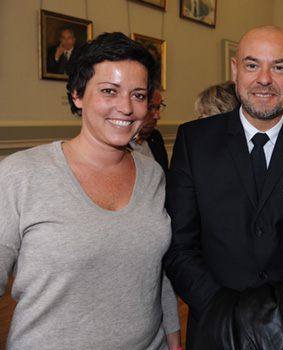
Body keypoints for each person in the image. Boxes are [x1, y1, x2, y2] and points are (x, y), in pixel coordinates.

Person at [163, 25, 283, 349]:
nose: (264, 79)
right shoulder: (193, 142)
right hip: (215, 324)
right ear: (236, 70)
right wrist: (228, 312)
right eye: (252, 65)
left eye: (278, 67)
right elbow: (180, 247)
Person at [0, 32, 181, 349]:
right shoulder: (21, 174)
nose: (125, 107)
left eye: (138, 95)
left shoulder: (153, 175)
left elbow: (157, 272)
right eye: (109, 91)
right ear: (77, 95)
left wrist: (174, 338)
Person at [129, 87, 169, 174]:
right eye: (150, 108)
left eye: (158, 107)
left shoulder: (155, 137)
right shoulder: (116, 144)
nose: (157, 116)